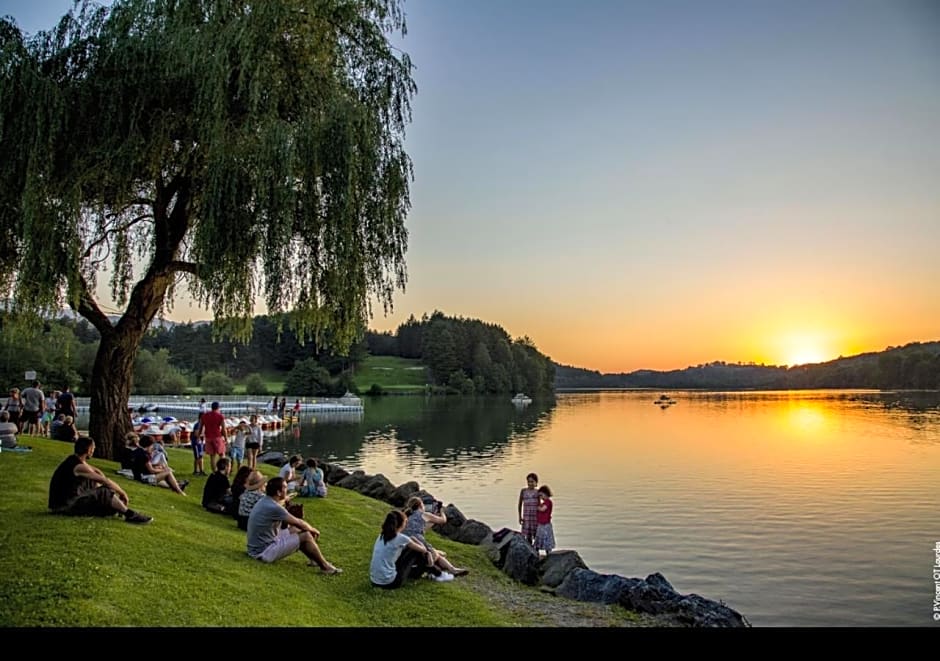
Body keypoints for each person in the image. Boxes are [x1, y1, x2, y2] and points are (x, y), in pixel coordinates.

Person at [245, 476, 342, 574]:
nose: (287, 490)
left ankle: (314, 560)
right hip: (263, 552)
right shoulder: (274, 507)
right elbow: (299, 523)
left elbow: (286, 526)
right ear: (278, 492)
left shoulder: (265, 500)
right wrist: (313, 530)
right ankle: (325, 567)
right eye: (285, 488)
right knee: (306, 535)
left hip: (257, 547)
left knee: (295, 530)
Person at [48, 436, 152, 524]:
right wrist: (122, 493)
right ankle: (130, 514)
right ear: (88, 449)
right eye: (93, 448)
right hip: (63, 506)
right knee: (104, 491)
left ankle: (117, 508)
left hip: (64, 503)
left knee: (98, 488)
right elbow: (105, 481)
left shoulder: (75, 460)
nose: (94, 450)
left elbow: (96, 471)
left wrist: (100, 482)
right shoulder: (78, 466)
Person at [370, 510, 446, 589]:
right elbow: (423, 549)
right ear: (401, 524)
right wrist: (414, 539)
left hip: (374, 581)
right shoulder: (401, 538)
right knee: (416, 551)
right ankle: (435, 572)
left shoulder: (381, 535)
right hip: (390, 583)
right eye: (405, 522)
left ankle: (432, 570)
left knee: (409, 550)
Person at [402, 496, 468, 577]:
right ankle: (450, 569)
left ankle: (452, 569)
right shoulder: (424, 514)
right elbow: (443, 520)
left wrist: (433, 517)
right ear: (420, 506)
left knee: (438, 554)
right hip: (417, 541)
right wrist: (442, 512)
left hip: (405, 542)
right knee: (437, 555)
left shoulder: (406, 515)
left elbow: (422, 529)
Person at [200, 401, 228, 472]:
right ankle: (222, 471)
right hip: (217, 437)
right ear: (218, 408)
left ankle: (214, 472)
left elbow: (201, 427)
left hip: (208, 438)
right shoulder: (220, 416)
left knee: (212, 456)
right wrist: (226, 438)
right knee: (222, 454)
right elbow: (224, 429)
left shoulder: (205, 416)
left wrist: (199, 435)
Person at [518, 472, 540, 546]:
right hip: (527, 517)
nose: (530, 483)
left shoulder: (537, 492)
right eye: (529, 481)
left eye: (532, 482)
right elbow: (520, 504)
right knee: (528, 536)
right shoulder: (523, 491)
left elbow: (539, 505)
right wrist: (520, 517)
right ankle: (529, 551)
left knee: (536, 535)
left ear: (536, 483)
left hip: (535, 517)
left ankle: (536, 551)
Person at [534, 485, 555, 555]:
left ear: (546, 494)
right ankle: (537, 552)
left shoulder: (548, 502)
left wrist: (537, 507)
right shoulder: (543, 503)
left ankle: (548, 553)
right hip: (541, 524)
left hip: (546, 524)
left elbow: (543, 509)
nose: (541, 497)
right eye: (539, 496)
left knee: (546, 539)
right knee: (539, 537)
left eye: (541, 495)